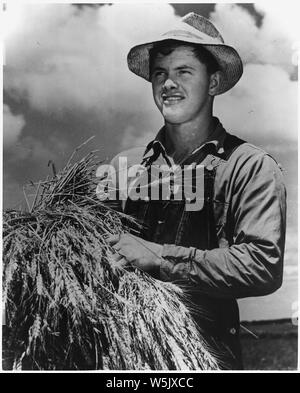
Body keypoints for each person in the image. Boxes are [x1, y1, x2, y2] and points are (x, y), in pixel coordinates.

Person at [101, 12, 286, 369]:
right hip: (125, 357)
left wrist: (158, 256)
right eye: (160, 73)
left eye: (183, 72)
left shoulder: (248, 166)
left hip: (206, 356)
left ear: (213, 83)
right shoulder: (124, 166)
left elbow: (263, 265)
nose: (168, 83)